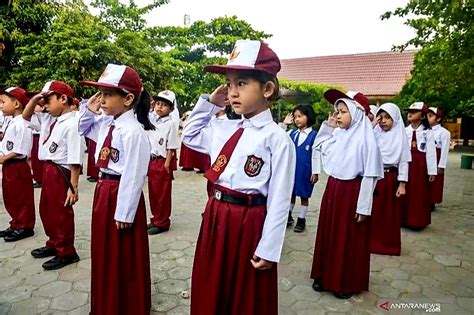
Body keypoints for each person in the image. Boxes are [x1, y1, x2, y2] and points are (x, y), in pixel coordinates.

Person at [182, 39, 296, 314]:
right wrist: (210, 104)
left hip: (249, 221)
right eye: (229, 84)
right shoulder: (223, 128)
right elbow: (190, 135)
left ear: (267, 89)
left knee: (246, 292)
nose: (232, 92)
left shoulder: (277, 139)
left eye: (242, 83)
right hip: (216, 215)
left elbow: (280, 199)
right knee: (212, 284)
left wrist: (269, 247)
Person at [79, 63, 152, 315]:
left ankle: (125, 304)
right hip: (103, 190)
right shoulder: (105, 123)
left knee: (123, 254)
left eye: (108, 94)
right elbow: (82, 128)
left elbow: (134, 174)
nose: (102, 100)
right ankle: (104, 302)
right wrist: (90, 109)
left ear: (128, 98)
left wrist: (125, 212)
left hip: (120, 193)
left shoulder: (134, 132)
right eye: (100, 93)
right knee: (103, 251)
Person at [310, 90, 383, 299]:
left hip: (353, 193)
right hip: (333, 189)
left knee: (346, 238)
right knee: (329, 232)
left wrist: (363, 206)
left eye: (343, 112)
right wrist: (328, 127)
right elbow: (319, 147)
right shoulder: (338, 135)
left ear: (357, 114)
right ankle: (324, 275)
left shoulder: (366, 141)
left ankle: (344, 282)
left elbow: (370, 175)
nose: (338, 115)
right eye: (337, 111)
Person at [23, 81, 82, 270]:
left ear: (63, 99)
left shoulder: (72, 122)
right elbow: (25, 116)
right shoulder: (49, 119)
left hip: (61, 171)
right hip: (48, 169)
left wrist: (74, 187)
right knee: (47, 210)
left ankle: (66, 251)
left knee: (60, 213)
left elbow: (75, 158)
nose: (44, 104)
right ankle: (53, 243)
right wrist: (35, 100)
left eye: (47, 99)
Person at [370, 103, 410, 255]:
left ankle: (388, 245)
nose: (384, 121)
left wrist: (402, 184)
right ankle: (371, 243)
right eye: (381, 118)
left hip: (390, 178)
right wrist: (372, 125)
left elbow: (404, 161)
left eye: (388, 118)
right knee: (373, 211)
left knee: (389, 213)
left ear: (395, 118)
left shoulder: (400, 136)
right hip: (375, 176)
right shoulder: (374, 133)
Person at [0, 87, 35, 241]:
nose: (0, 106)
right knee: (10, 196)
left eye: (2, 102)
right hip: (9, 165)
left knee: (21, 197)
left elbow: (21, 149)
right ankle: (15, 223)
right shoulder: (12, 121)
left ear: (16, 104)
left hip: (17, 165)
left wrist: (4, 157)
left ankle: (25, 226)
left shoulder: (22, 123)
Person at [282, 105, 320, 232]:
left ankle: (301, 219)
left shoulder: (314, 136)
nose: (297, 119)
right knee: (291, 193)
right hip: (292, 170)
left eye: (300, 116)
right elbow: (279, 137)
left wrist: (315, 171)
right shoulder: (292, 133)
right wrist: (284, 125)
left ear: (308, 117)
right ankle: (288, 215)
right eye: (295, 117)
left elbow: (316, 155)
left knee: (304, 195)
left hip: (305, 171)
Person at [147, 90, 179, 235]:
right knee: (153, 193)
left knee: (162, 194)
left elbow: (171, 146)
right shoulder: (153, 119)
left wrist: (167, 164)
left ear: (171, 109)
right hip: (152, 161)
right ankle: (155, 218)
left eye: (164, 105)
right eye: (158, 103)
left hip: (162, 162)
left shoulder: (170, 124)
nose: (160, 107)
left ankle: (163, 221)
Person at [402, 102, 437, 230]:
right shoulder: (405, 131)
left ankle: (417, 221)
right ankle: (404, 219)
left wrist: (432, 171)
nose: (410, 114)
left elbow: (431, 152)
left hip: (421, 165)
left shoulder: (427, 132)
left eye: (414, 111)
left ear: (422, 116)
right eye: (409, 111)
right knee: (406, 190)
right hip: (407, 162)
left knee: (419, 192)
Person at [427, 107, 450, 209]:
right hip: (428, 156)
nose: (428, 118)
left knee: (435, 182)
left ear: (438, 119)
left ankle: (432, 201)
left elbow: (445, 150)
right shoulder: (425, 130)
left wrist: (441, 165)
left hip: (437, 155)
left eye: (431, 116)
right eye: (427, 116)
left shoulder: (444, 133)